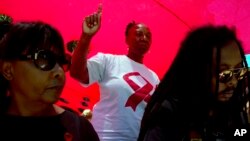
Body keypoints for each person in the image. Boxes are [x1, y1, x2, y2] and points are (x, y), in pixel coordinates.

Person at [138, 25, 250, 141]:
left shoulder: (234, 113)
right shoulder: (169, 114)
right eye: (223, 72)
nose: (233, 82)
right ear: (196, 71)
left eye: (238, 70)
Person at [70, 5, 160, 141]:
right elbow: (77, 73)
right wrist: (86, 37)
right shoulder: (108, 61)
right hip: (103, 137)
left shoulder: (154, 78)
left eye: (148, 36)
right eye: (139, 34)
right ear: (126, 39)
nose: (144, 38)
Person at [0, 20, 100, 141]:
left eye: (62, 61)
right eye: (44, 58)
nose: (59, 72)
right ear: (8, 70)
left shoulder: (79, 129)